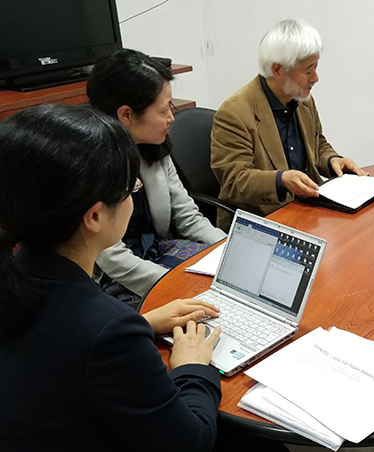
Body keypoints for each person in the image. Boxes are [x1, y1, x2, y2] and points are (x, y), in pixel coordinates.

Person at [0, 104, 222, 451]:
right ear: (94, 216)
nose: (134, 194)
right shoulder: (108, 331)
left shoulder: (17, 275)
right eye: (131, 188)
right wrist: (192, 367)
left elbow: (60, 347)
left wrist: (143, 323)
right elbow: (191, 442)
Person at [86, 49, 227, 306]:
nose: (171, 117)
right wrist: (174, 284)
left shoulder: (153, 146)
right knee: (201, 307)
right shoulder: (92, 163)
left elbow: (188, 216)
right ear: (126, 115)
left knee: (229, 283)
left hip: (157, 251)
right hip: (115, 277)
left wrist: (229, 249)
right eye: (163, 111)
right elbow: (111, 257)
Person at [211, 19, 366, 231]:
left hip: (306, 211)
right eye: (308, 71)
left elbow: (318, 144)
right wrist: (281, 180)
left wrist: (333, 161)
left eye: (316, 67)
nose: (316, 78)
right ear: (277, 69)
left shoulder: (303, 100)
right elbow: (234, 181)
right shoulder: (234, 113)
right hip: (261, 221)